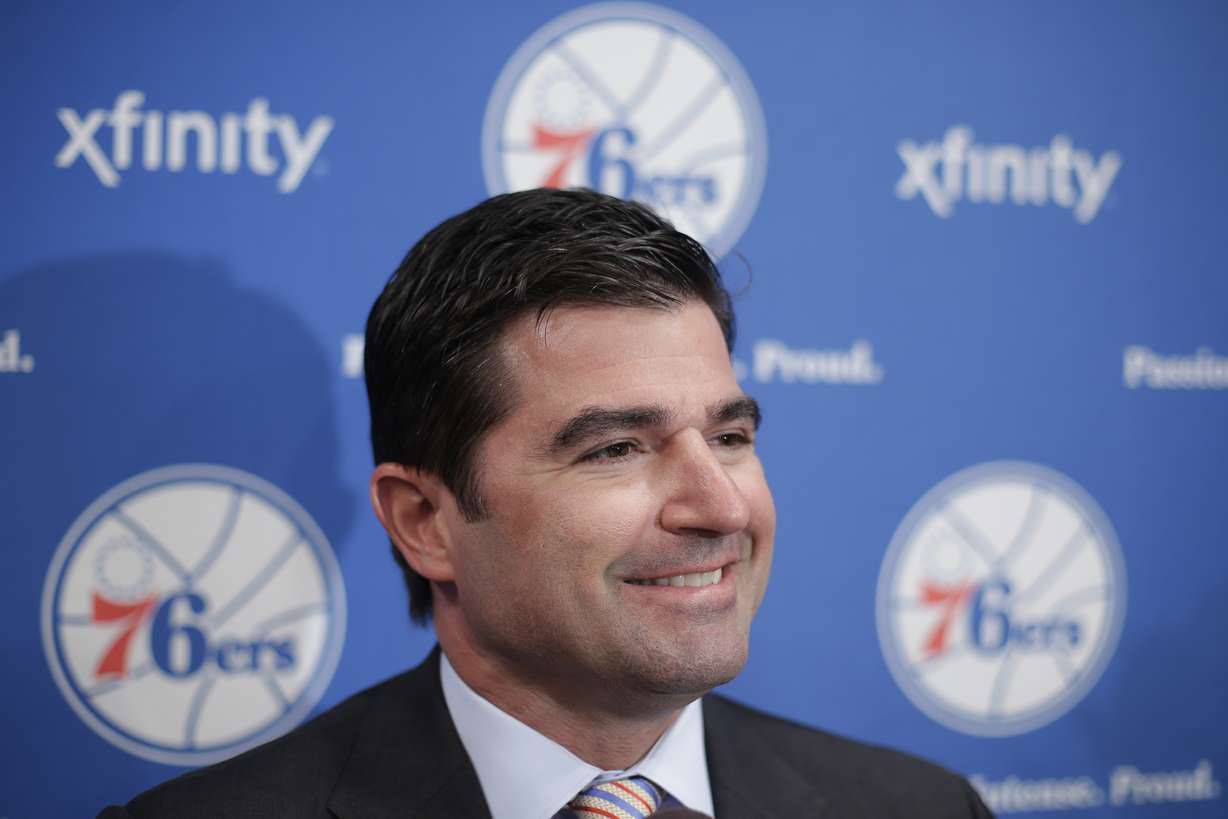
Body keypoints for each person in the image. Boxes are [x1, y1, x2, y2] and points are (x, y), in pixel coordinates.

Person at [101, 188, 992, 818]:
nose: (720, 507)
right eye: (615, 449)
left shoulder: (922, 805)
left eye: (730, 437)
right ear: (425, 521)